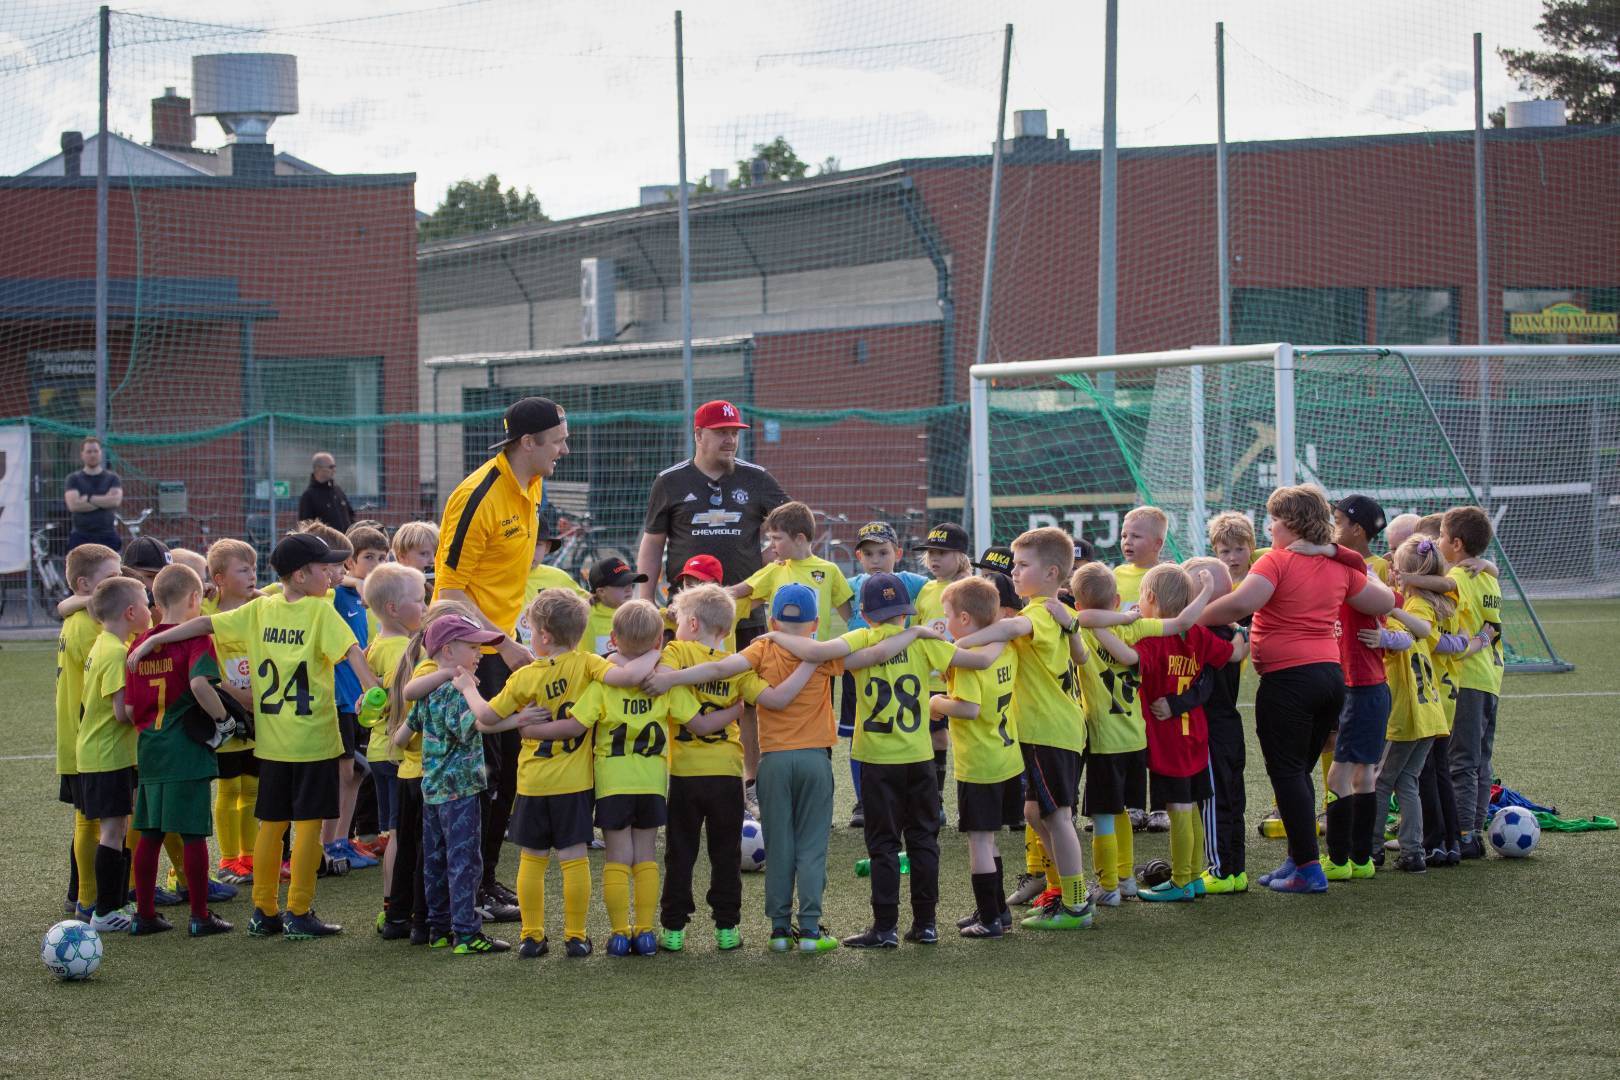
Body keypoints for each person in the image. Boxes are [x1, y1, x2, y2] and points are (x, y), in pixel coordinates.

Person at [128, 533, 380, 939]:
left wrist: (156, 636)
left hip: (272, 742)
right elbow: (353, 657)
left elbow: (204, 624)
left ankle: (263, 912)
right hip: (313, 739)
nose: (331, 574)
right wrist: (374, 690)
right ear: (300, 575)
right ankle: (298, 911)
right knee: (309, 827)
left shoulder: (260, 609)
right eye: (323, 568)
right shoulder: (320, 612)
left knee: (271, 825)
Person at [764, 573, 997, 949]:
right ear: (906, 613)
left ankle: (885, 927)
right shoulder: (923, 642)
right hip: (919, 757)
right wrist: (1001, 633)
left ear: (864, 614)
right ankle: (926, 924)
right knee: (923, 840)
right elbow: (979, 660)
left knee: (883, 844)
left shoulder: (861, 637)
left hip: (875, 759)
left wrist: (775, 636)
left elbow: (817, 652)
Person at [1199, 485, 1395, 895]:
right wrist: (1338, 555)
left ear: (1289, 523)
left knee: (1287, 773)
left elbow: (1240, 606)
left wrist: (1191, 619)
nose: (1269, 528)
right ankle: (1299, 857)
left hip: (1289, 681)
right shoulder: (1339, 565)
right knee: (1298, 773)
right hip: (1330, 678)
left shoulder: (1276, 561)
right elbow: (1383, 601)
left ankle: (1307, 867)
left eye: (1273, 520)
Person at [644, 583, 843, 953]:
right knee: (754, 852)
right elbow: (776, 698)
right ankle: (765, 930)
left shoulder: (702, 652)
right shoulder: (782, 661)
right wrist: (810, 659)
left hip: (714, 770)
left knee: (690, 853)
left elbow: (708, 688)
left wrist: (673, 680)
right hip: (758, 768)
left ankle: (691, 930)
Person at [435, 395, 569, 919]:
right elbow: (449, 588)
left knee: (506, 766)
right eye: (557, 441)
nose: (565, 448)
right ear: (528, 442)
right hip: (468, 650)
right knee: (482, 771)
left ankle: (484, 881)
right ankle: (462, 891)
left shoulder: (534, 484)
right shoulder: (478, 495)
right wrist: (499, 643)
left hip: (497, 642)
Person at [635, 399, 790, 810]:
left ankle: (750, 784)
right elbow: (652, 546)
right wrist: (644, 602)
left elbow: (790, 531)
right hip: (685, 616)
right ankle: (677, 781)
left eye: (735, 432)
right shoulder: (670, 481)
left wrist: (770, 570)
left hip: (746, 613)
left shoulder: (757, 479)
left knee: (748, 698)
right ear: (699, 434)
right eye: (722, 432)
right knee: (678, 690)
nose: (730, 439)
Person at [953, 527, 1096, 931]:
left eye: (1022, 565)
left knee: (1058, 817)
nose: (1014, 572)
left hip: (1048, 730)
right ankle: (1061, 892)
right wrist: (1071, 628)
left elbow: (1010, 630)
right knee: (1035, 812)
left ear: (1052, 572)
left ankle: (1077, 903)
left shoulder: (1038, 613)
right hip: (1052, 728)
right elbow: (1081, 656)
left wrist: (954, 645)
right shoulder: (1056, 613)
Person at [1091, 565, 1231, 903]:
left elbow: (1127, 657)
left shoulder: (1153, 638)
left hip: (1168, 735)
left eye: (1141, 596)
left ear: (1150, 598)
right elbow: (1229, 653)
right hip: (1195, 728)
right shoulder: (1195, 633)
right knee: (1193, 802)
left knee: (1179, 804)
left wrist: (1095, 627)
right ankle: (1195, 877)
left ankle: (1182, 879)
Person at [570, 600, 699, 957]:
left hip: (613, 783)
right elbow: (697, 722)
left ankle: (617, 933)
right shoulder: (664, 684)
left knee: (617, 857)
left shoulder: (603, 684)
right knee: (645, 857)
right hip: (651, 782)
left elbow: (577, 723)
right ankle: (644, 932)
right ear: (660, 640)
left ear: (613, 638)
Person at [403, 615, 534, 955]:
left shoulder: (429, 689)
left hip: (432, 789)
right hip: (460, 791)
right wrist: (520, 719)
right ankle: (466, 933)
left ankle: (440, 928)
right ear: (447, 650)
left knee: (435, 859)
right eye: (474, 647)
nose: (480, 654)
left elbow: (406, 733)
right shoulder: (457, 690)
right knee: (465, 861)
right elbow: (482, 723)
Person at [125, 563, 235, 938]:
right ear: (194, 598)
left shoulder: (139, 643)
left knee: (151, 833)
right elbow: (201, 685)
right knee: (191, 835)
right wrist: (224, 720)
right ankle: (201, 915)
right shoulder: (194, 638)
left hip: (150, 747)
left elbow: (127, 710)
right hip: (185, 748)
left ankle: (144, 914)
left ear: (155, 600)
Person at [931, 577, 1020, 939]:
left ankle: (989, 919)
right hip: (1007, 756)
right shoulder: (1007, 646)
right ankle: (998, 909)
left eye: (948, 614)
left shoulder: (967, 662)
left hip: (980, 762)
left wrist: (934, 703)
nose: (945, 620)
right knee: (991, 837)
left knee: (980, 841)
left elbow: (967, 708)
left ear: (965, 618)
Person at [1364, 537, 1453, 873]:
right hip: (1431, 712)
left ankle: (1372, 849)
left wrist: (1384, 631)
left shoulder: (1407, 612)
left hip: (1406, 714)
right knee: (1407, 781)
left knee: (1380, 781)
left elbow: (1404, 637)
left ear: (1402, 576)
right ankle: (1414, 852)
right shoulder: (1429, 606)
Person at [842, 522, 929, 827]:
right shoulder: (851, 584)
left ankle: (906, 797)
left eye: (882, 552)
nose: (875, 559)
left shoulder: (912, 582)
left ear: (898, 552)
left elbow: (942, 588)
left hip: (901, 669)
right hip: (862, 672)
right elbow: (841, 608)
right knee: (860, 733)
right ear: (858, 556)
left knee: (902, 731)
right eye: (868, 553)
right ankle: (864, 801)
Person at [76, 575, 151, 931]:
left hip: (106, 753)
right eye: (147, 603)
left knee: (119, 827)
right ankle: (104, 911)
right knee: (111, 831)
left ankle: (115, 904)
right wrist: (153, 708)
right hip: (106, 755)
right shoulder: (117, 652)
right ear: (132, 611)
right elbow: (123, 713)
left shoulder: (104, 644)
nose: (151, 609)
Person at [55, 543, 121, 919]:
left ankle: (82, 894)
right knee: (89, 820)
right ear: (83, 584)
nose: (119, 584)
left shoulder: (78, 618)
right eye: (110, 578)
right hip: (87, 740)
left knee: (89, 818)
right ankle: (86, 897)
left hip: (77, 739)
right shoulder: (88, 628)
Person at [362, 562, 427, 933]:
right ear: (392, 608)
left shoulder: (377, 644)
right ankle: (395, 906)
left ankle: (392, 905)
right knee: (401, 834)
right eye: (418, 600)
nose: (424, 606)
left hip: (379, 750)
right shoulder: (404, 649)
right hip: (398, 752)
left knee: (393, 832)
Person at [1438, 506, 1504, 859]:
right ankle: (1473, 831)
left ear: (1457, 544)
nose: (1437, 542)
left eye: (1442, 537)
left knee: (1461, 760)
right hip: (1491, 677)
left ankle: (1464, 834)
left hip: (1468, 678)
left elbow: (1459, 631)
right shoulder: (1489, 577)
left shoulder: (1460, 579)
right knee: (1480, 759)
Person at [205, 538, 260, 885]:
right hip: (226, 714)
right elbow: (206, 670)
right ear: (219, 578)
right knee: (228, 789)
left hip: (258, 714)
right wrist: (236, 693)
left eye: (254, 568)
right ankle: (227, 860)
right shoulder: (206, 616)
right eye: (244, 570)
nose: (252, 575)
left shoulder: (261, 607)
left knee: (253, 788)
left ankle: (249, 857)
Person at [913, 522, 974, 795]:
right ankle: (934, 797)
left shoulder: (972, 588)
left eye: (942, 553)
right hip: (931, 681)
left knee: (969, 739)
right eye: (931, 553)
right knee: (934, 737)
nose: (934, 558)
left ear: (960, 556)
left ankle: (976, 795)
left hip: (966, 677)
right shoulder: (926, 590)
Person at [64, 437, 124, 552]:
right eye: (89, 451)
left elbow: (115, 501)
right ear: (82, 454)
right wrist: (104, 501)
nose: (92, 455)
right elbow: (73, 505)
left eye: (95, 451)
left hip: (107, 535)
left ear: (101, 453)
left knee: (113, 569)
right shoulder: (73, 479)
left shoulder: (112, 478)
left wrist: (89, 498)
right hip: (81, 536)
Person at [581, 556, 647, 656]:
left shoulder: (637, 613)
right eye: (622, 584)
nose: (629, 588)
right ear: (601, 591)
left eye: (630, 582)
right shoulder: (583, 617)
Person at [297, 453, 354, 534]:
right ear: (318, 468)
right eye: (331, 467)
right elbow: (306, 528)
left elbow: (351, 516)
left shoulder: (337, 490)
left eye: (334, 466)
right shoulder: (309, 496)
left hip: (345, 543)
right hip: (325, 545)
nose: (334, 470)